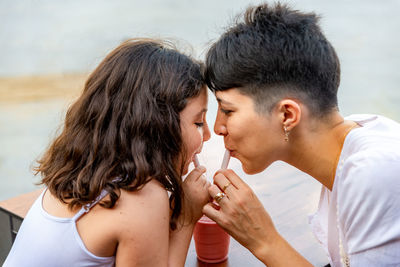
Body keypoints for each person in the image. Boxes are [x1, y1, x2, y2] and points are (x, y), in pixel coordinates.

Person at [202, 3, 400, 267]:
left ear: (287, 115)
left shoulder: (375, 172)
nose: (217, 128)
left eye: (227, 110)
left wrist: (264, 240)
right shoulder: (358, 135)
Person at [4, 38, 211, 267]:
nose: (208, 134)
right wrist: (186, 218)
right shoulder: (142, 198)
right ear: (160, 125)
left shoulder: (82, 170)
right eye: (199, 122)